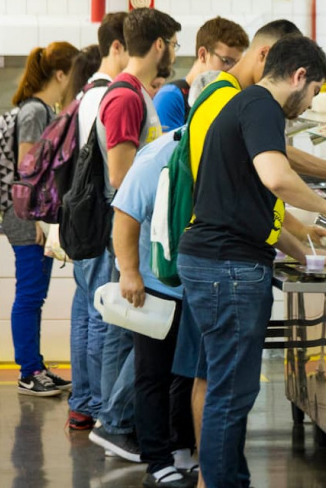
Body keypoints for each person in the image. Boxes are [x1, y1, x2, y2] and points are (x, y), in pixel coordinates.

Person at [177, 35, 326, 488]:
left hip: (214, 262)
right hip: (228, 269)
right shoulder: (261, 107)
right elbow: (277, 178)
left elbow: (256, 210)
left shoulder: (247, 105)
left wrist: (309, 257)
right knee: (231, 394)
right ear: (299, 76)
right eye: (314, 91)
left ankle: (230, 480)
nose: (310, 102)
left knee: (228, 389)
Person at [89, 7, 181, 462]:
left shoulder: (139, 94)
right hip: (131, 232)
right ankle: (116, 424)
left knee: (131, 332)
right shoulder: (126, 97)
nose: (175, 54)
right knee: (130, 333)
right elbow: (121, 175)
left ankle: (119, 422)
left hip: (140, 232)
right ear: (160, 44)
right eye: (175, 45)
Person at [112, 131, 196, 487]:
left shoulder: (213, 145)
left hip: (193, 285)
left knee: (188, 374)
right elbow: (125, 213)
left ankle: (182, 448)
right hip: (155, 285)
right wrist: (129, 272)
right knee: (154, 375)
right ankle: (157, 463)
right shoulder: (160, 155)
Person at [0, 41, 79, 397]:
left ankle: (35, 365)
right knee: (30, 295)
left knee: (35, 296)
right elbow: (26, 167)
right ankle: (28, 371)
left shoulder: (44, 110)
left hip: (35, 215)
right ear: (60, 74)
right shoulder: (34, 111)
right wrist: (33, 219)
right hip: (27, 217)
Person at [69, 11, 129, 430]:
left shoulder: (87, 92)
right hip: (100, 216)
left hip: (83, 215)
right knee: (99, 312)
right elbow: (113, 174)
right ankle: (96, 402)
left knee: (84, 309)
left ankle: (83, 400)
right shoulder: (106, 95)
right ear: (117, 47)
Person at [152, 17, 249, 132]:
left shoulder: (222, 98)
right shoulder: (170, 97)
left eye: (237, 64)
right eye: (226, 61)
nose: (233, 70)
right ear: (203, 55)